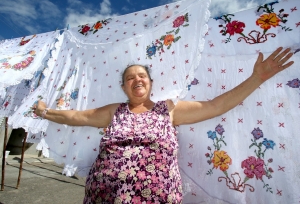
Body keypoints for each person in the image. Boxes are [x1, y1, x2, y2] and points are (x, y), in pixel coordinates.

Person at [35, 47, 294, 204]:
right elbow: (76, 117)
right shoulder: (115, 111)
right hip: (105, 195)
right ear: (124, 86)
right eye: (130, 77)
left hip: (158, 197)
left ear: (149, 82)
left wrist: (257, 78)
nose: (136, 79)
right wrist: (44, 112)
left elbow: (216, 106)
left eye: (141, 75)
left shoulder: (168, 109)